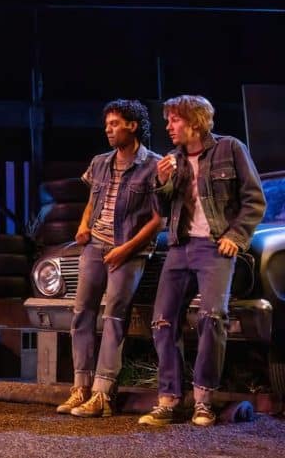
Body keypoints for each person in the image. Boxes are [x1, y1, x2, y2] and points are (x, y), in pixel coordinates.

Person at [139, 95, 265, 427]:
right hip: (179, 247)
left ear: (195, 121)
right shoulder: (171, 160)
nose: (168, 126)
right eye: (167, 120)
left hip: (214, 247)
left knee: (212, 318)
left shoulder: (230, 149)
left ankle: (203, 400)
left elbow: (254, 200)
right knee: (162, 321)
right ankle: (169, 399)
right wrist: (162, 184)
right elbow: (163, 211)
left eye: (174, 120)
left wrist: (235, 238)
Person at [55, 100, 162, 418]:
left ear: (132, 125)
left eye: (115, 124)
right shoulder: (100, 162)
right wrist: (83, 224)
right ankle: (81, 387)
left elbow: (160, 219)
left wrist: (126, 249)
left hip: (129, 252)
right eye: (107, 125)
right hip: (95, 247)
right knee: (81, 313)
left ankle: (103, 394)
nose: (108, 130)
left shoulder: (153, 165)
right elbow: (93, 200)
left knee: (115, 316)